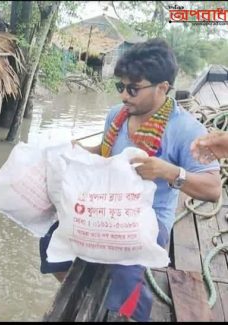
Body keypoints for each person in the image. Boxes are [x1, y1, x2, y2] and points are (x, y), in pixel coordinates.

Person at [39, 38, 221, 322]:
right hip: (108, 205)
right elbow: (104, 152)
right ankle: (81, 287)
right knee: (49, 242)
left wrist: (167, 171)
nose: (124, 95)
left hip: (149, 218)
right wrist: (76, 151)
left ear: (162, 87)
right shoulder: (117, 115)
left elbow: (213, 190)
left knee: (125, 270)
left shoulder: (186, 129)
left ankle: (133, 314)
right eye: (120, 87)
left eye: (133, 88)